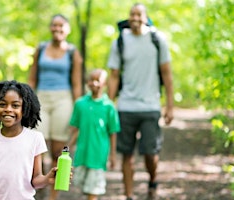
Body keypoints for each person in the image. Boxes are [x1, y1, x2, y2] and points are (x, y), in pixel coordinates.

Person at [106, 3, 174, 200]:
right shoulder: (120, 41)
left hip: (151, 105)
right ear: (128, 18)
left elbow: (167, 73)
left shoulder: (157, 39)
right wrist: (109, 105)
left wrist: (169, 106)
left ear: (145, 17)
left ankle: (152, 180)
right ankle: (129, 195)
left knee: (150, 153)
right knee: (126, 154)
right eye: (132, 14)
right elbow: (114, 75)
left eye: (139, 14)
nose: (135, 18)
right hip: (126, 106)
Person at [0, 80, 57, 200]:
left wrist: (47, 179)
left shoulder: (35, 138)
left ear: (24, 109)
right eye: (2, 104)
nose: (8, 109)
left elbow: (35, 180)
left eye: (15, 105)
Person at [28, 13, 83, 200]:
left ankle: (54, 193)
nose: (57, 29)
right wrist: (26, 100)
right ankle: (39, 183)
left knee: (59, 150)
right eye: (54, 25)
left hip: (63, 99)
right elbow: (32, 78)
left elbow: (76, 83)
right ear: (50, 28)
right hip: (40, 98)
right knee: (37, 146)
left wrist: (78, 111)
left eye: (61, 26)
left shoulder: (72, 52)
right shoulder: (41, 48)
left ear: (67, 29)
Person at [68, 69, 120, 200]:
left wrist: (113, 155)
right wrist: (67, 148)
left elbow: (113, 132)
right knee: (84, 187)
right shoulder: (80, 104)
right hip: (82, 154)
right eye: (91, 80)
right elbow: (76, 129)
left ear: (105, 84)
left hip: (98, 155)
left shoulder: (109, 106)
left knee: (93, 191)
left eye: (98, 80)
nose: (94, 83)